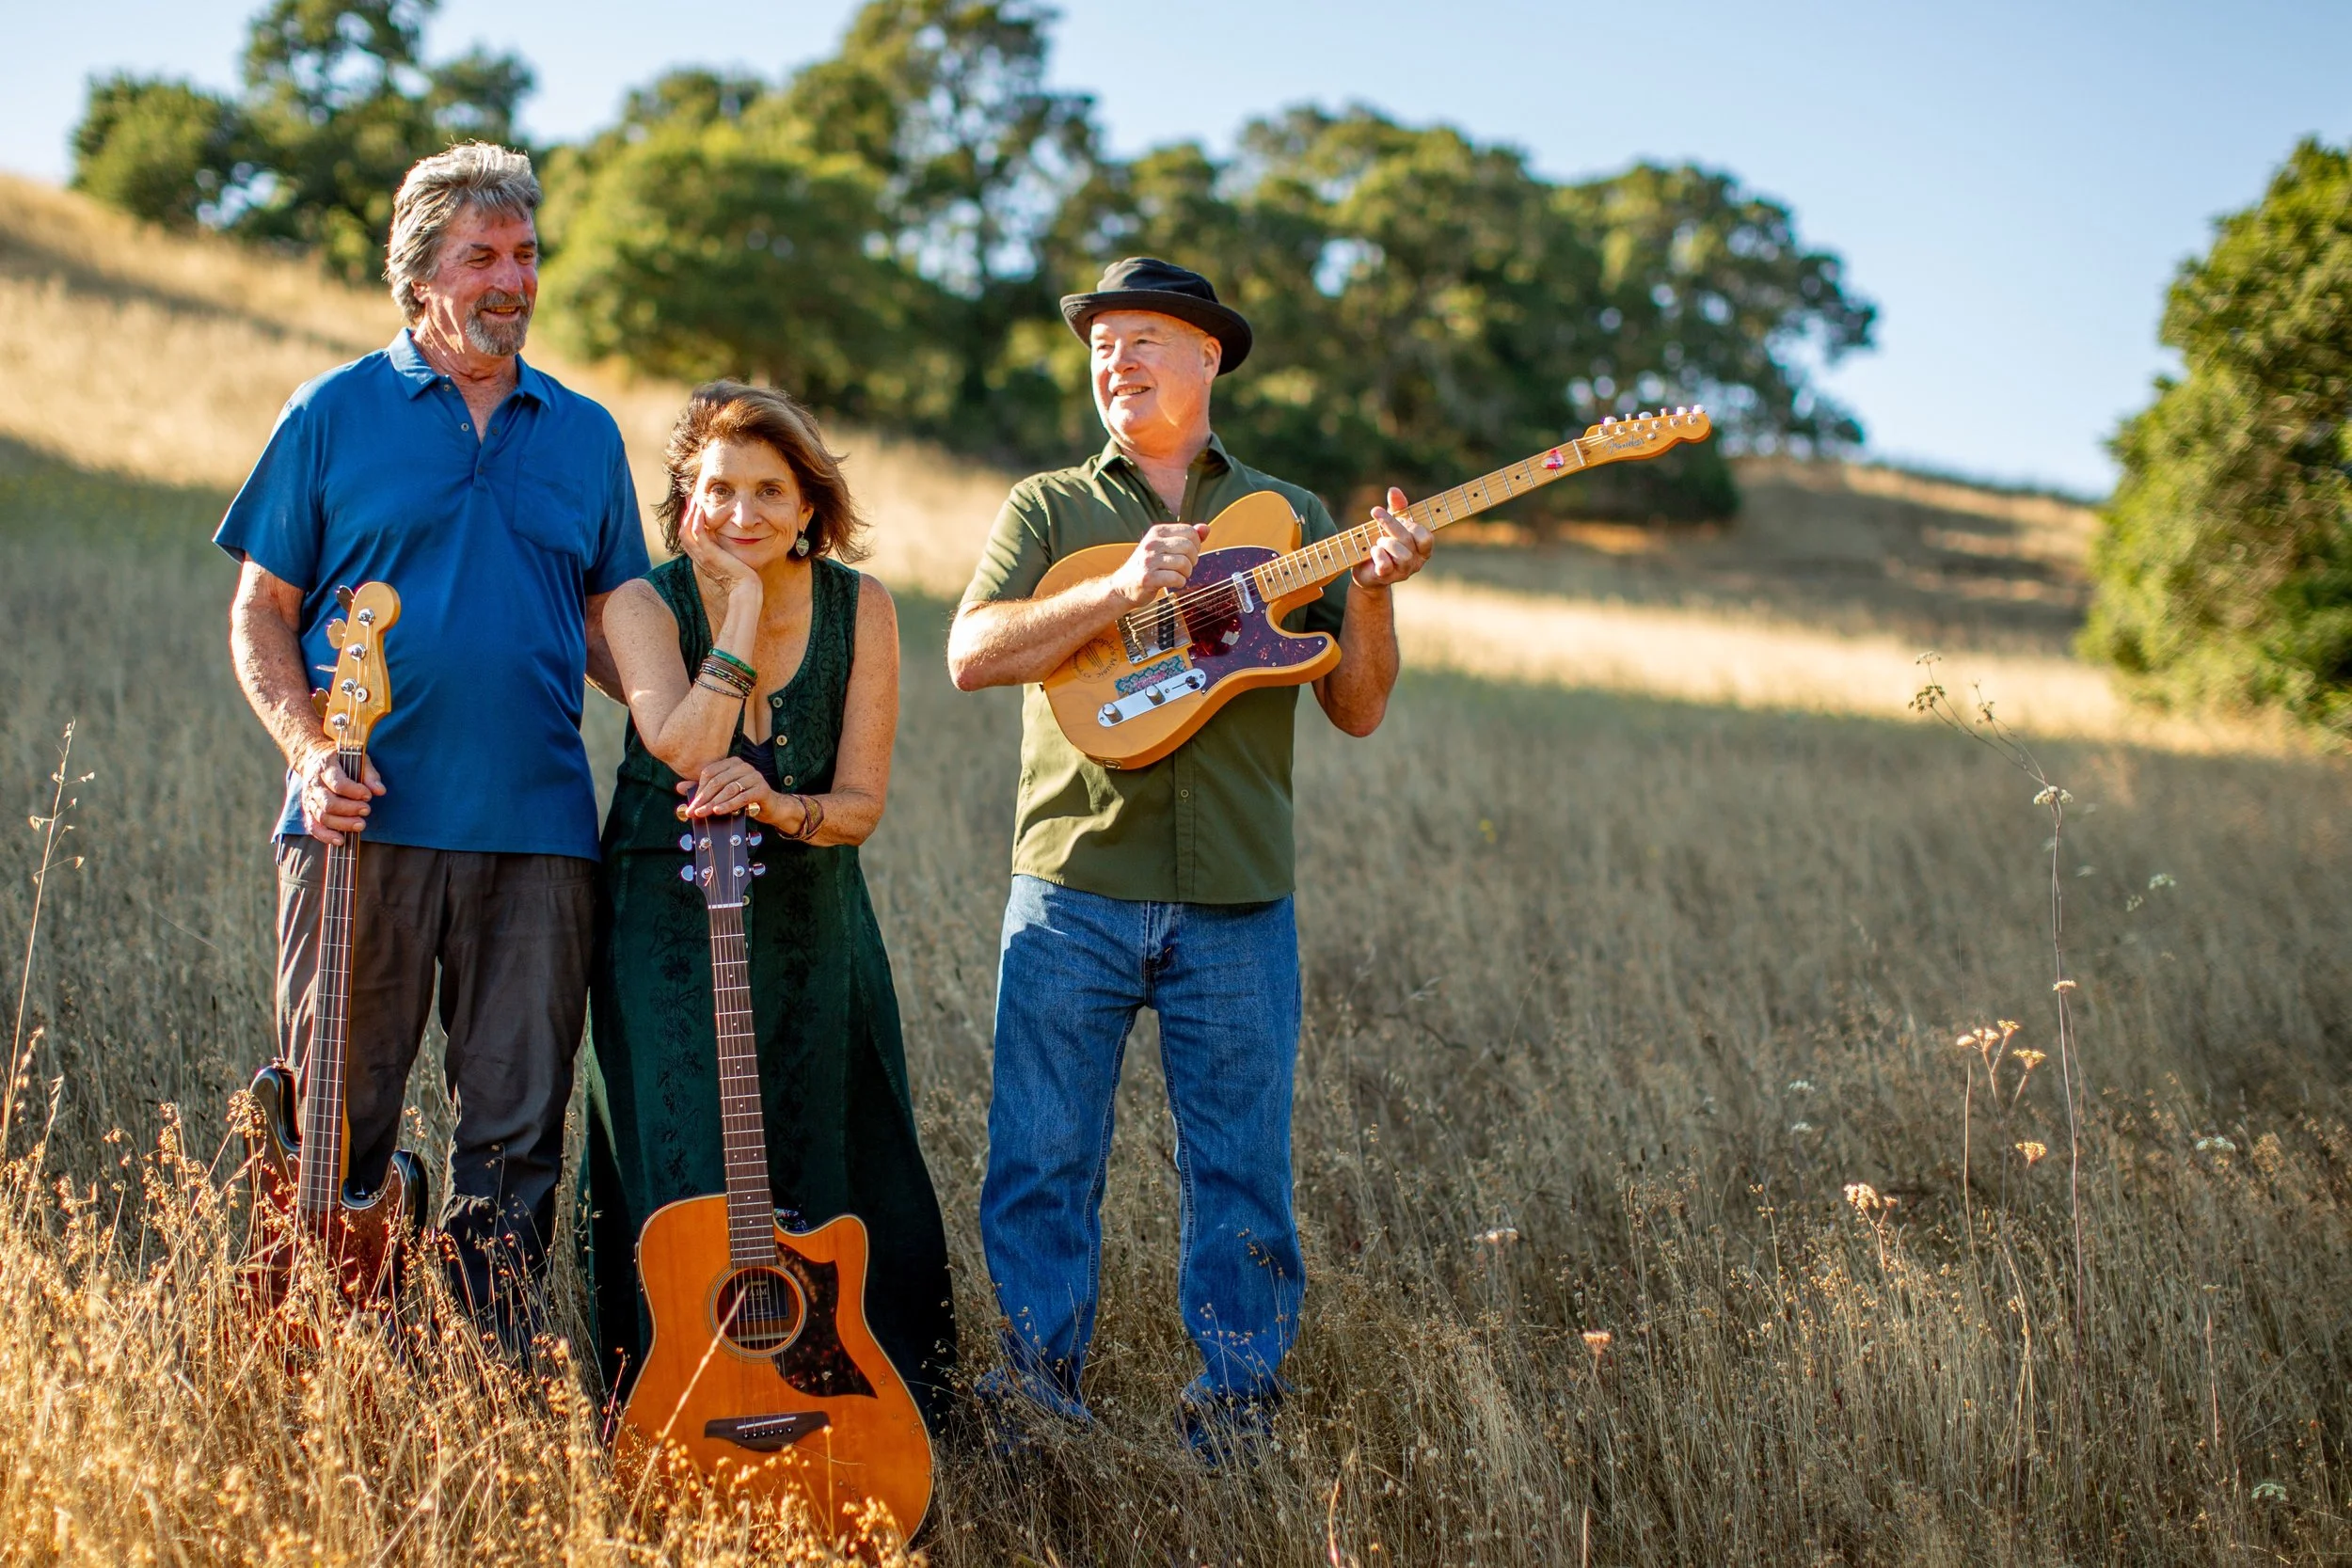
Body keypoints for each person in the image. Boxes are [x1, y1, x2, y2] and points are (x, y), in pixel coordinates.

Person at [946, 257, 1433, 1453]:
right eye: (1101, 345)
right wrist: (1117, 588)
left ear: (1207, 356)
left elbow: (1358, 708)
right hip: (1070, 891)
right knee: (1041, 1165)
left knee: (1242, 1182)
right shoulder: (1049, 506)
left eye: (1143, 340)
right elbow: (971, 649)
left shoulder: (1291, 515)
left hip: (1237, 901)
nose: (1115, 362)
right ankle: (1034, 1405)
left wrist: (1371, 594)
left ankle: (1235, 1419)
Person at [218, 142, 648, 1343]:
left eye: (524, 253)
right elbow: (262, 607)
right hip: (363, 824)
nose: (511, 279)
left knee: (515, 1136)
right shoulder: (332, 412)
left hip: (540, 836)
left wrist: (701, 727)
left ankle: (485, 1385)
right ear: (419, 279)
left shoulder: (584, 432)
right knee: (332, 1122)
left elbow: (618, 627)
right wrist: (308, 751)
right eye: (481, 256)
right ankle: (329, 1359)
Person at [583, 381, 956, 1426]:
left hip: (809, 906)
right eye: (717, 490)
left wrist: (783, 804)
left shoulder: (862, 607)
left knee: (829, 1136)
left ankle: (868, 1403)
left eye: (767, 490)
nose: (741, 513)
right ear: (685, 503)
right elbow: (688, 742)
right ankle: (676, 1398)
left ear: (808, 507)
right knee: (683, 1145)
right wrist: (738, 614)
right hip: (663, 913)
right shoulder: (642, 604)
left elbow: (859, 806)